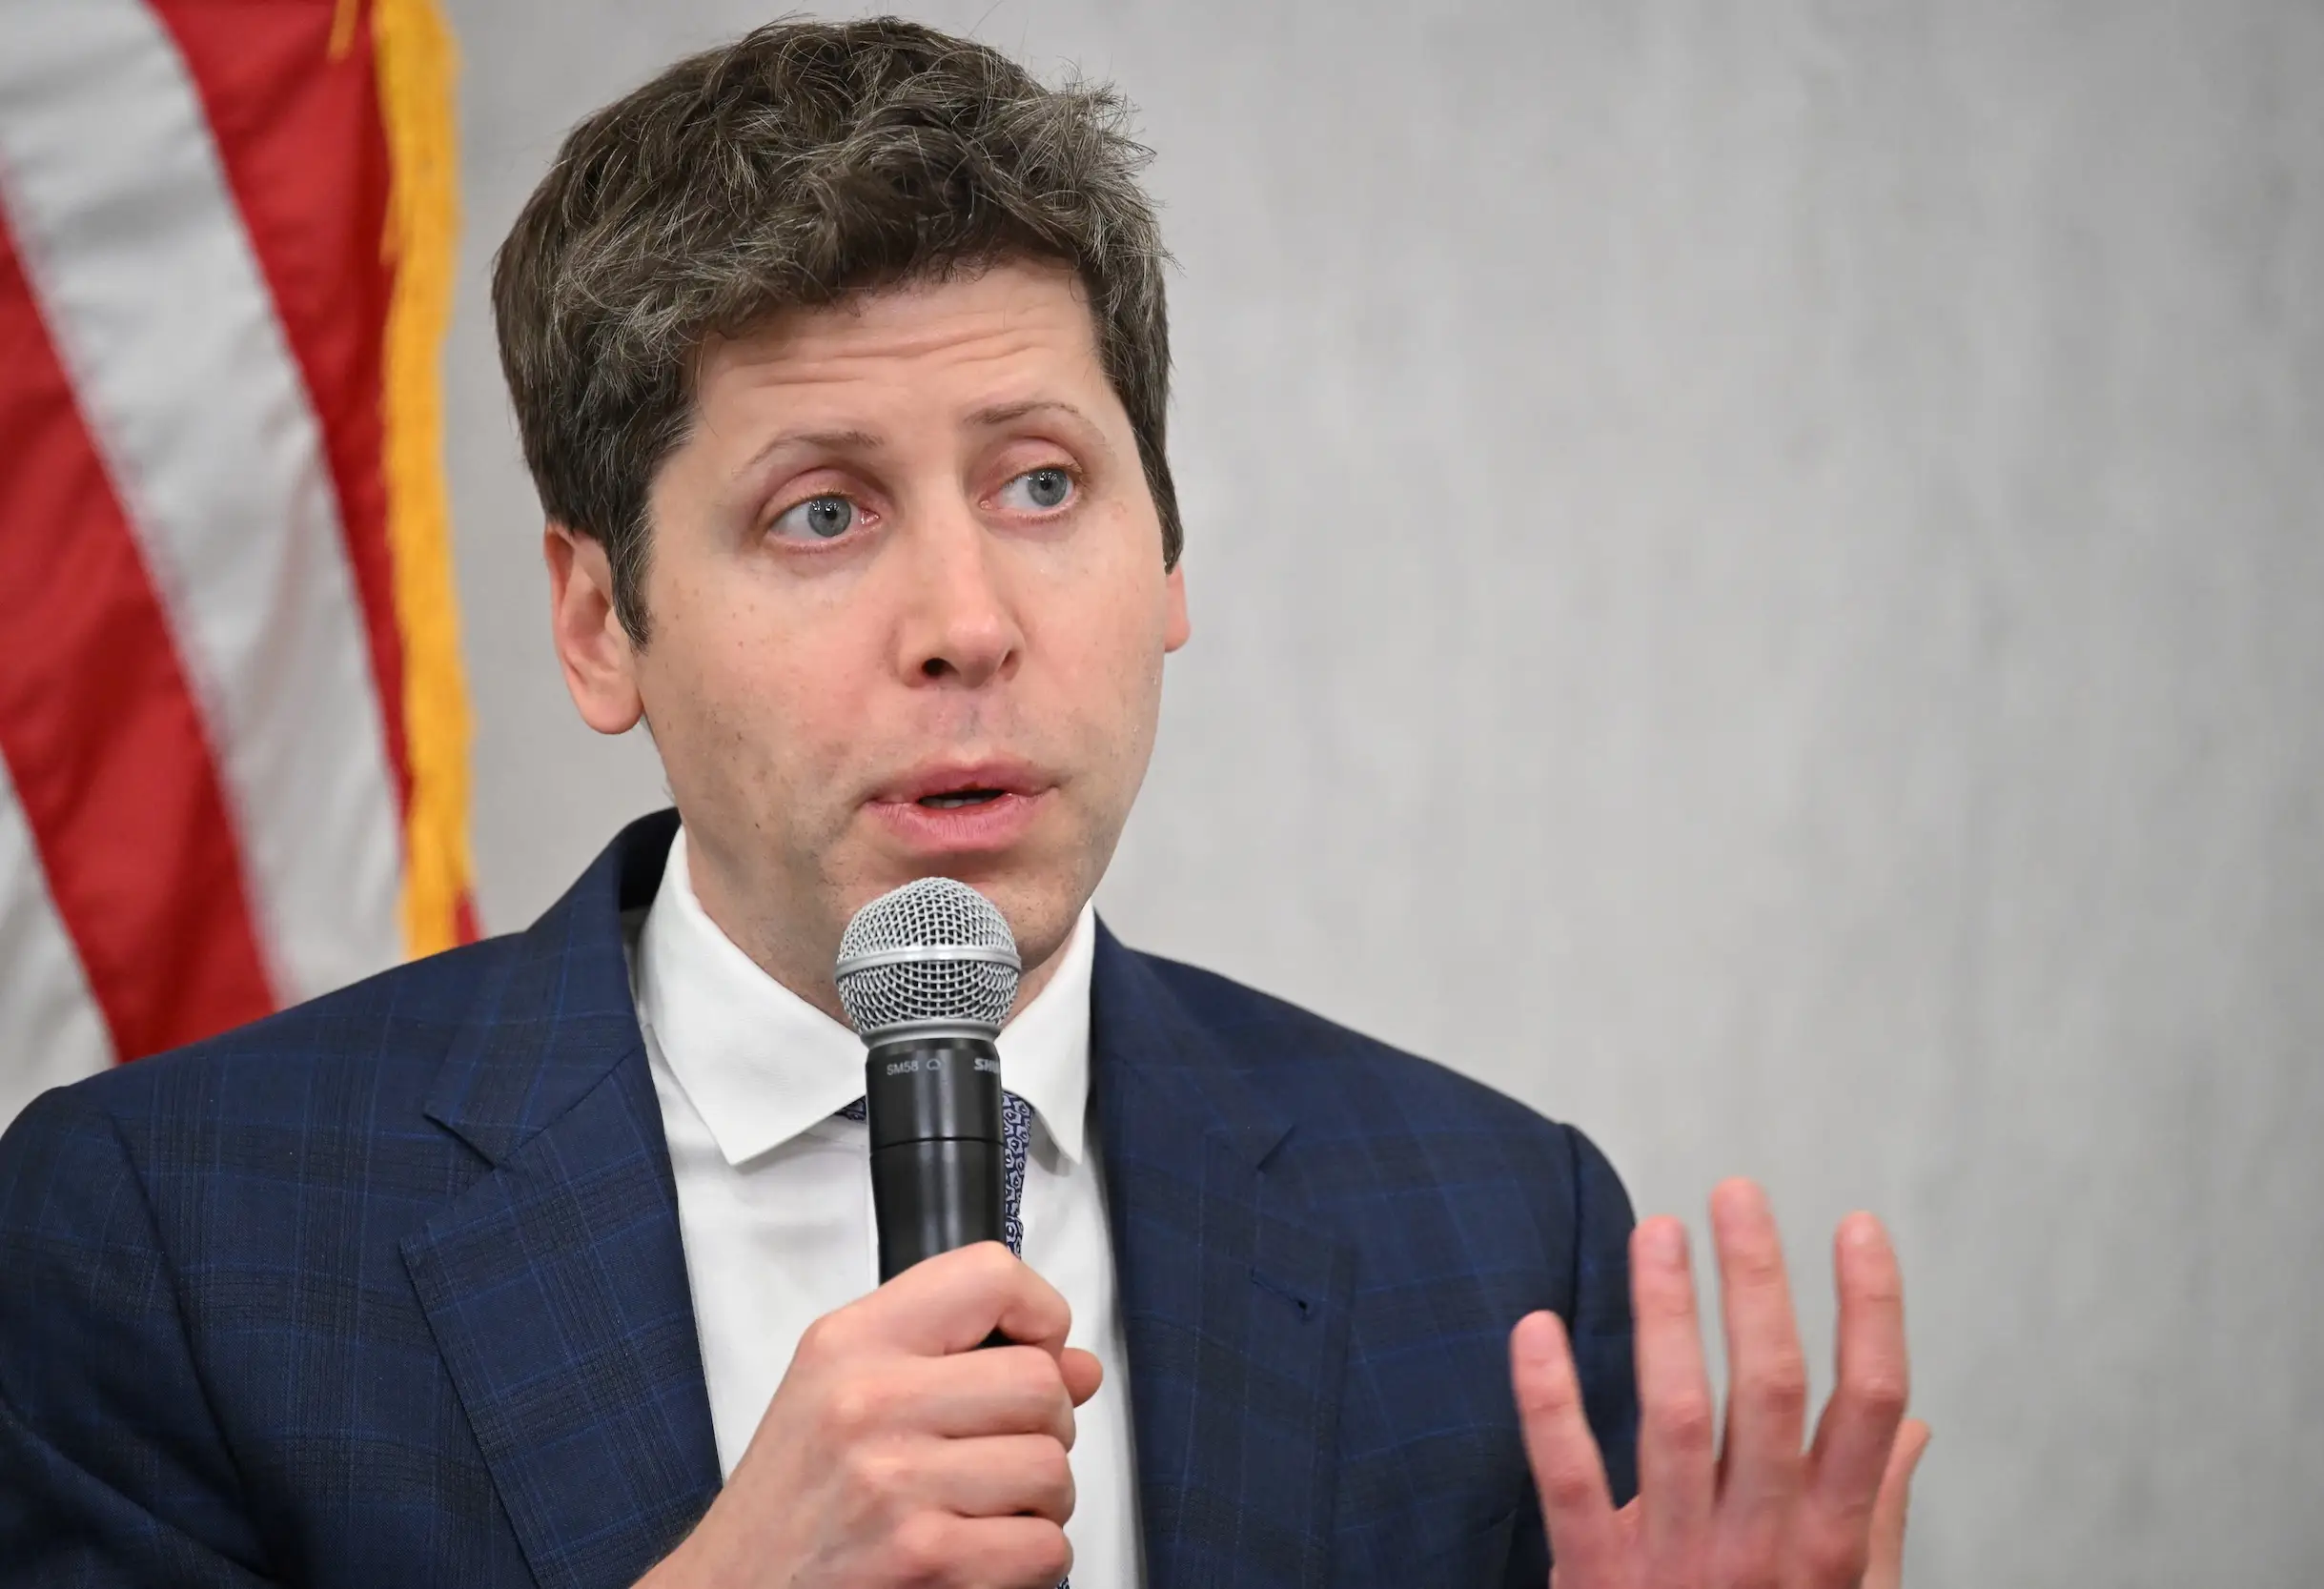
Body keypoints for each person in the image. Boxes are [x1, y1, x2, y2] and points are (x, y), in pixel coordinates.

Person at [0, 17, 1926, 1588]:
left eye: (1037, 483)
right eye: (819, 512)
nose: (966, 623)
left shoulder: (1497, 1234)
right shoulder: (168, 1236)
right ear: (600, 623)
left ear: (1166, 554)